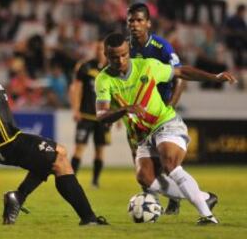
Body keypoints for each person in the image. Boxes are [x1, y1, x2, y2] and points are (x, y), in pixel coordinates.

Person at [0, 24, 108, 226]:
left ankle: (17, 198)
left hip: (2, 142)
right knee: (60, 155)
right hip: (6, 140)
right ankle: (88, 218)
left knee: (49, 162)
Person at [95, 32, 237, 225]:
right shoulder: (103, 80)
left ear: (128, 51)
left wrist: (214, 77)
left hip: (165, 123)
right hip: (143, 135)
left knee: (169, 162)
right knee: (144, 177)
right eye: (114, 57)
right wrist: (125, 109)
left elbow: (181, 72)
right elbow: (102, 116)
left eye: (124, 55)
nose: (120, 60)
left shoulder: (147, 66)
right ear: (105, 54)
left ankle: (208, 216)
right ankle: (203, 197)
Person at [127, 2, 185, 214]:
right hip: (135, 115)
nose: (135, 24)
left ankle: (174, 199)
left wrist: (170, 106)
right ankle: (150, 200)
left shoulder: (161, 47)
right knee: (139, 158)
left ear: (148, 23)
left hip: (159, 114)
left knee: (163, 160)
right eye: (131, 20)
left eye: (139, 20)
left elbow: (180, 78)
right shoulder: (125, 49)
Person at [69, 40, 110, 188]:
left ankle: (95, 181)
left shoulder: (111, 69)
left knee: (100, 150)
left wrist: (117, 117)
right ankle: (71, 181)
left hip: (103, 117)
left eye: (102, 49)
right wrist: (75, 109)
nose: (100, 51)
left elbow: (117, 93)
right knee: (79, 147)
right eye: (97, 48)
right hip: (85, 115)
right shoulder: (85, 67)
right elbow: (76, 88)